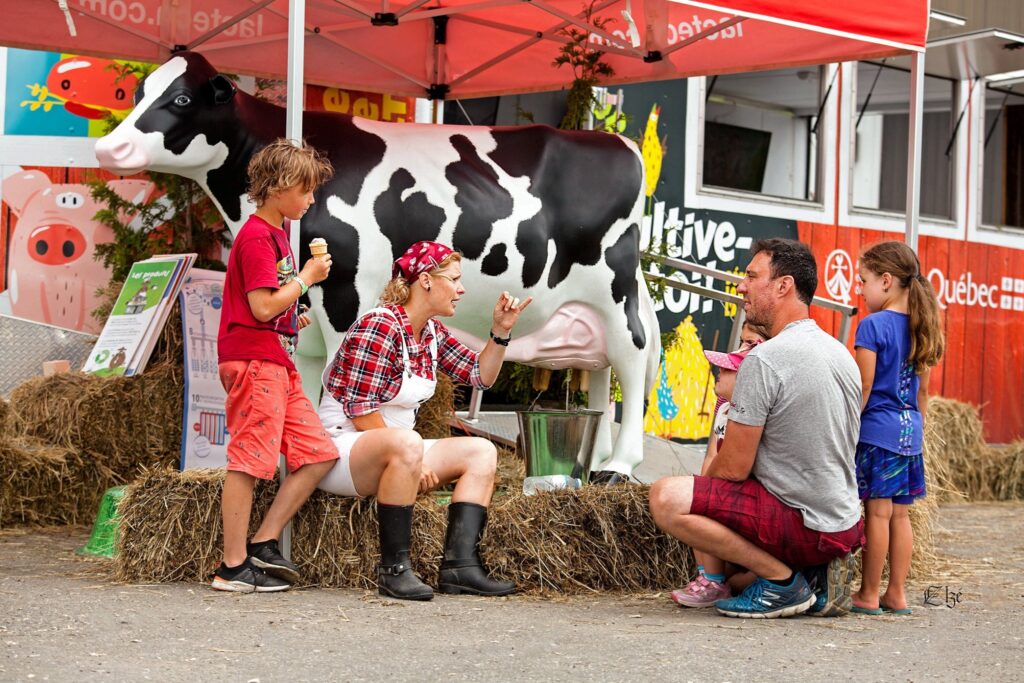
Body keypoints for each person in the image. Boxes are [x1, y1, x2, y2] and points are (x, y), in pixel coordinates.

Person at [649, 238, 864, 619]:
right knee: (731, 567)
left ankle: (784, 583)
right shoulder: (838, 351)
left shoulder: (765, 359)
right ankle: (812, 575)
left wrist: (701, 488)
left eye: (752, 276)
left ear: (783, 286)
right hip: (844, 522)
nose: (741, 286)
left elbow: (732, 469)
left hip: (803, 521)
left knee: (667, 497)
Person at [317, 241, 532, 601]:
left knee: (481, 451)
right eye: (455, 279)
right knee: (408, 442)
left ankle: (460, 567)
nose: (461, 290)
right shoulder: (379, 324)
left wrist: (501, 332)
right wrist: (412, 462)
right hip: (342, 450)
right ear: (427, 281)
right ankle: (393, 570)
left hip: (398, 450)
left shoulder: (430, 333)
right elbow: (359, 409)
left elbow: (480, 374)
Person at [211, 139, 338, 593]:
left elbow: (269, 309)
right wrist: (305, 278)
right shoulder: (258, 237)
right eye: (306, 190)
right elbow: (261, 307)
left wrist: (293, 315)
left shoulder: (275, 234)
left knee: (319, 453)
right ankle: (231, 566)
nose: (311, 199)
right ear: (281, 186)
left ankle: (263, 542)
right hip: (255, 359)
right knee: (249, 462)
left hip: (271, 357)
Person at [850, 241, 944, 616]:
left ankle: (869, 594)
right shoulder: (923, 325)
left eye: (864, 281)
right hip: (910, 435)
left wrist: (846, 425)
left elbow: (865, 386)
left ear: (886, 281)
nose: (860, 289)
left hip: (877, 434)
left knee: (877, 514)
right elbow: (922, 395)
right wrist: (919, 434)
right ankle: (897, 594)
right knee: (900, 516)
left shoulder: (872, 327)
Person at [671, 324, 767, 608]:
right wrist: (704, 485)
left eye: (749, 343)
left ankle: (716, 580)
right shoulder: (723, 405)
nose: (738, 350)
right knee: (698, 497)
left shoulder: (754, 404)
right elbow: (713, 452)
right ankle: (709, 577)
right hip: (726, 484)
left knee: (743, 580)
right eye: (740, 341)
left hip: (747, 493)